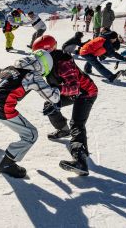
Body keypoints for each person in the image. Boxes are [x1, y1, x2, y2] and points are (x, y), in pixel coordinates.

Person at [0, 50, 60, 178]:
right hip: (1, 108)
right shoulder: (33, 76)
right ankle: (7, 164)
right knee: (31, 134)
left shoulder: (9, 68)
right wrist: (57, 86)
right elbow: (54, 98)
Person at [32, 35, 98, 176]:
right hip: (72, 92)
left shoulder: (63, 63)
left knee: (77, 124)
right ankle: (63, 129)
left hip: (86, 93)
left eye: (39, 54)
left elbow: (74, 87)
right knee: (49, 104)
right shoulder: (48, 62)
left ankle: (80, 160)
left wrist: (55, 91)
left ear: (47, 52)